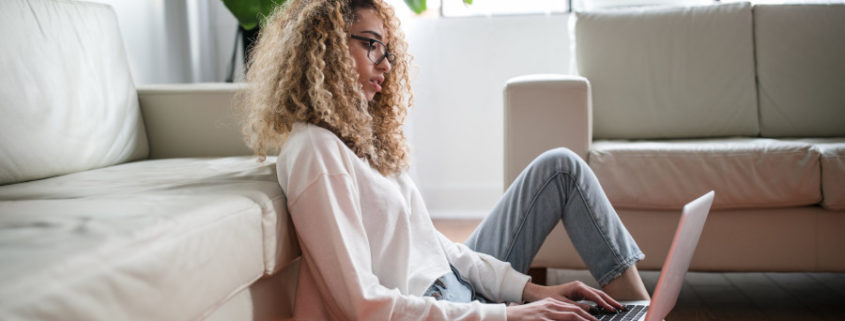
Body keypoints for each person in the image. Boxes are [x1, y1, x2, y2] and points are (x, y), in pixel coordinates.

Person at [241, 0, 650, 319]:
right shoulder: (315, 150)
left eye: (388, 51)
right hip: (436, 307)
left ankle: (640, 310)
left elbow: (433, 246)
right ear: (325, 46)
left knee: (561, 167)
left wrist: (529, 291)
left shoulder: (364, 141)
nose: (384, 64)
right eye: (370, 44)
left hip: (455, 289)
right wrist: (506, 315)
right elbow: (362, 305)